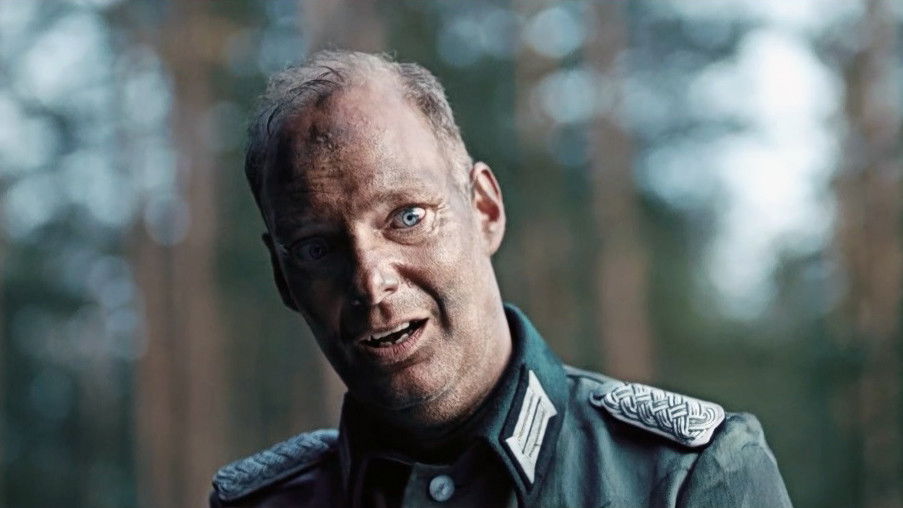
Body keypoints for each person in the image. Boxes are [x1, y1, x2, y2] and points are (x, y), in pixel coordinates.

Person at [209, 50, 793, 508]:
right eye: (316, 248)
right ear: (283, 278)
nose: (370, 279)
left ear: (484, 209)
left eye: (407, 217)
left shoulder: (685, 477)